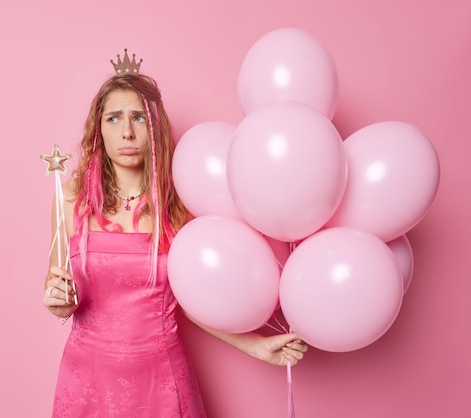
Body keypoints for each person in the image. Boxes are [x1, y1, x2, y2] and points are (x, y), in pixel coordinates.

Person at [42, 49, 308, 418]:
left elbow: (191, 300)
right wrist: (59, 303)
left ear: (155, 128)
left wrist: (257, 347)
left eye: (138, 118)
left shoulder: (178, 204)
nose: (127, 131)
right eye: (114, 118)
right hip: (87, 380)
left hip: (161, 380)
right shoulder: (72, 198)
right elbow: (60, 290)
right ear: (98, 129)